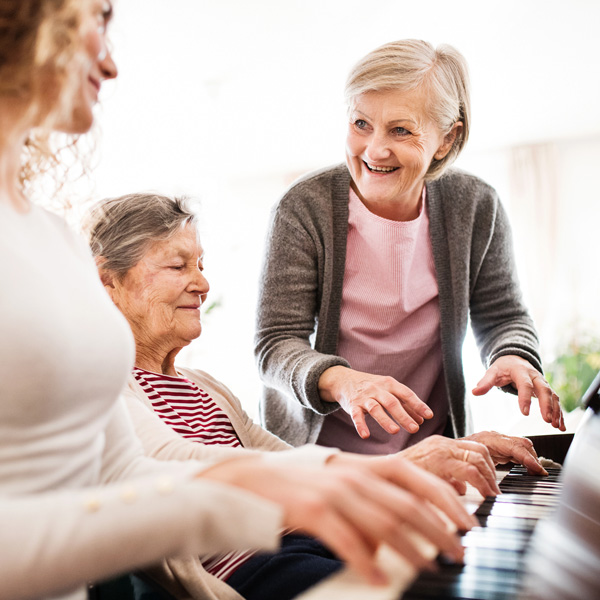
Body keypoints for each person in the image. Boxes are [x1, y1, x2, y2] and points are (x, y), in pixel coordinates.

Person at [0, 7, 469, 600]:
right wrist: (289, 489)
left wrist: (349, 474)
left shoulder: (50, 236)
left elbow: (125, 474)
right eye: (96, 16)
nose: (112, 61)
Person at [84, 191, 548, 600]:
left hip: (305, 541)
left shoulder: (206, 387)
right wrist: (405, 466)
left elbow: (298, 468)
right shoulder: (101, 383)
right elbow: (170, 464)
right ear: (109, 282)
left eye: (201, 265)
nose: (203, 284)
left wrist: (440, 456)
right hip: (256, 568)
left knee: (461, 564)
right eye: (177, 265)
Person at [254, 39, 566, 456]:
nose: (375, 149)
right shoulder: (302, 208)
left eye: (401, 130)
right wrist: (344, 381)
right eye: (361, 123)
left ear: (446, 139)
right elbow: (275, 343)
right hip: (322, 458)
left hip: (432, 449)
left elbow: (503, 315)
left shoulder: (475, 205)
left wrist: (512, 354)